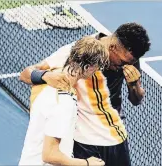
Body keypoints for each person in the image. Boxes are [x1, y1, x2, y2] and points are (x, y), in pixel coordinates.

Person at [20, 22, 151, 166]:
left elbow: (136, 100)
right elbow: (25, 74)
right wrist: (45, 76)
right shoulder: (80, 52)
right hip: (84, 142)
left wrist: (134, 85)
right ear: (113, 47)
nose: (124, 66)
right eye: (121, 61)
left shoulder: (129, 59)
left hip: (116, 138)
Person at [19, 36, 108, 166]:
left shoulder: (46, 80)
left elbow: (26, 74)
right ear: (88, 67)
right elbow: (49, 154)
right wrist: (87, 163)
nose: (97, 71)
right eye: (97, 67)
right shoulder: (63, 103)